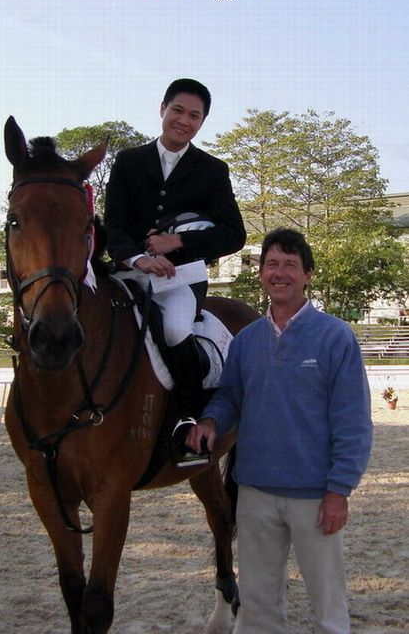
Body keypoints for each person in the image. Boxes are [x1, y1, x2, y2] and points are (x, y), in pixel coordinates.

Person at [186, 228, 373, 633]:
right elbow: (231, 397)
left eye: (290, 264)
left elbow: (354, 422)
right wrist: (211, 421)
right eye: (271, 264)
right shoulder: (246, 341)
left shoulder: (335, 336)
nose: (279, 273)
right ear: (261, 274)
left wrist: (339, 491)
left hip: (315, 496)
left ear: (308, 274)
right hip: (255, 493)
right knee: (258, 610)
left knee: (328, 609)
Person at [104, 78, 246, 461]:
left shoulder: (212, 170)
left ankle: (188, 420)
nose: (184, 120)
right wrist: (138, 259)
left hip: (180, 280)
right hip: (129, 272)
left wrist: (178, 242)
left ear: (202, 122)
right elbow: (114, 225)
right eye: (178, 110)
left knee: (175, 328)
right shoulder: (128, 161)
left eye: (194, 116)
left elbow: (234, 234)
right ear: (162, 109)